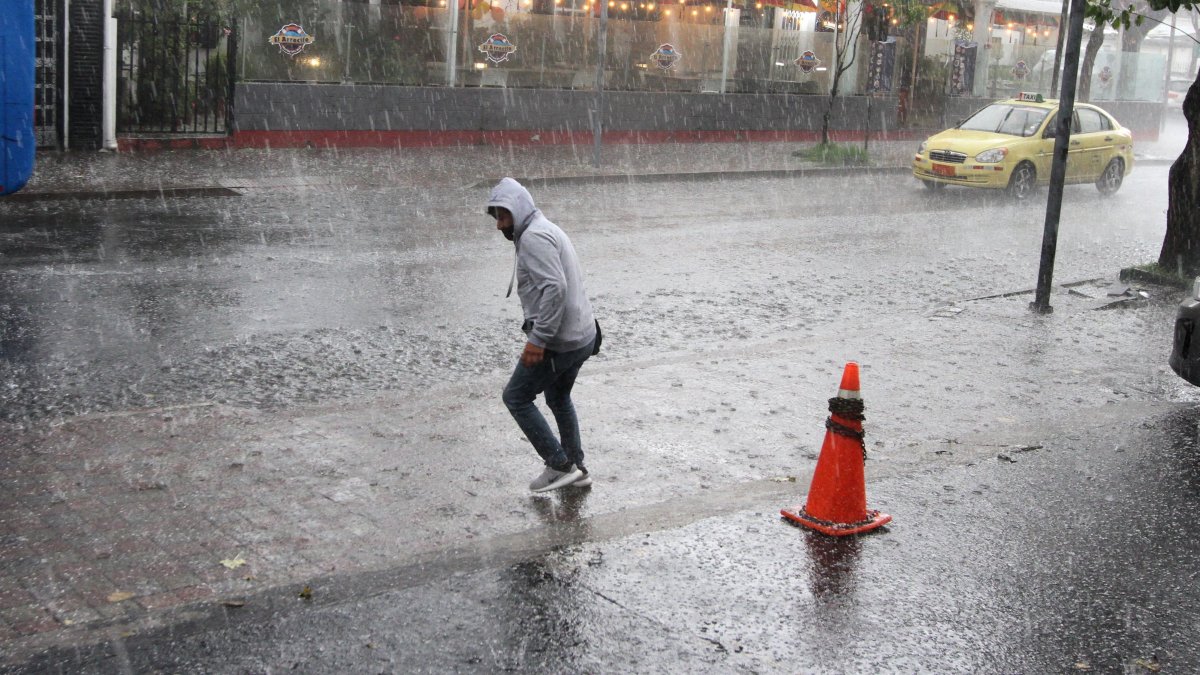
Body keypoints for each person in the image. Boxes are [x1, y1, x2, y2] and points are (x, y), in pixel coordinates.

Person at [486, 178, 599, 493]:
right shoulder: (544, 228)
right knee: (559, 397)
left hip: (559, 342)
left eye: (503, 216)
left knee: (516, 397)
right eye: (496, 217)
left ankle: (559, 465)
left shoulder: (534, 237)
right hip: (582, 335)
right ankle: (577, 469)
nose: (499, 225)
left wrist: (538, 340)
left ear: (518, 211)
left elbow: (555, 289)